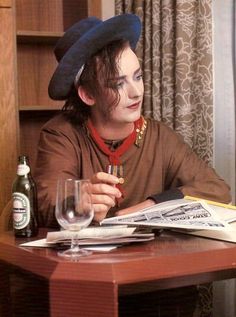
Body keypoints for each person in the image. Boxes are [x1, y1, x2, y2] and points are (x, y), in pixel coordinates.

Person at [34, 14, 231, 317]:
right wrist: (79, 198)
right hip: (88, 288)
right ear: (87, 94)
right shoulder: (60, 134)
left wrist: (151, 204)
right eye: (118, 83)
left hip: (155, 290)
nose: (137, 92)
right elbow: (47, 200)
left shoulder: (160, 136)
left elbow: (217, 189)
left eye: (137, 76)